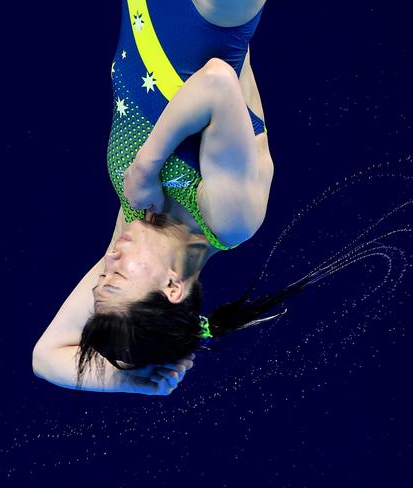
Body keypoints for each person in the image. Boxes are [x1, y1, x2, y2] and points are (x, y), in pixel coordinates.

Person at [33, 0, 279, 395]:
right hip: (209, 13)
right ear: (171, 287)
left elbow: (45, 357)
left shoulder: (137, 222)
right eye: (116, 278)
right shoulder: (230, 221)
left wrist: (135, 380)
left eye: (102, 277)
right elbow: (216, 82)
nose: (109, 260)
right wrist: (145, 168)